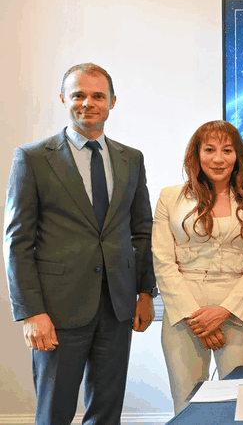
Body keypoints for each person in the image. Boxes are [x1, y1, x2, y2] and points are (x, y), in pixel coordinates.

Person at [3, 62, 156, 424]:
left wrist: (145, 292)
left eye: (97, 96)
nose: (88, 103)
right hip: (56, 311)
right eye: (78, 95)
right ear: (63, 99)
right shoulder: (34, 159)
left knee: (106, 411)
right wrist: (30, 312)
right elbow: (17, 241)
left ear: (112, 102)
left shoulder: (131, 159)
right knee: (54, 411)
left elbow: (142, 230)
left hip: (117, 307)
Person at [152, 120, 243, 413]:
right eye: (209, 149)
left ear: (238, 156)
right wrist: (197, 320)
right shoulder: (170, 197)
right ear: (196, 154)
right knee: (187, 405)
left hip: (237, 313)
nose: (218, 159)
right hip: (184, 315)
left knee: (239, 406)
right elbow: (162, 261)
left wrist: (222, 312)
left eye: (227, 150)